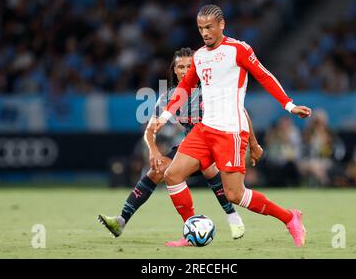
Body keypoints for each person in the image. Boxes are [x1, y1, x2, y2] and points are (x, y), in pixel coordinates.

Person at [154, 5, 312, 247]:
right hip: (205, 129)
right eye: (200, 28)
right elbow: (185, 86)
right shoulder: (199, 56)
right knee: (172, 175)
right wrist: (165, 115)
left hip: (230, 130)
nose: (204, 32)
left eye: (209, 27)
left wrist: (289, 106)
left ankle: (290, 217)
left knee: (235, 195)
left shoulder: (237, 49)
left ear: (221, 25)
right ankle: (191, 231)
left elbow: (264, 76)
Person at [98, 48, 264, 246]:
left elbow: (242, 113)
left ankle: (232, 216)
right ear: (174, 70)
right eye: (181, 66)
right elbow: (149, 130)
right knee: (157, 170)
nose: (185, 70)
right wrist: (153, 150)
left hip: (221, 143)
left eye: (189, 66)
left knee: (207, 164)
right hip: (193, 146)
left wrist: (254, 143)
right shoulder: (168, 98)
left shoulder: (211, 91)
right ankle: (121, 221)